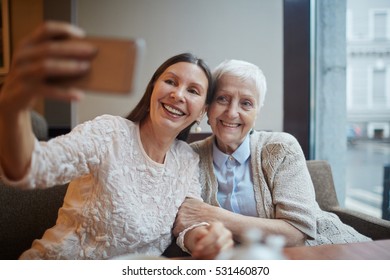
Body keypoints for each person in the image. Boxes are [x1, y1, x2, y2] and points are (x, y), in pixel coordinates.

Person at [0, 21, 233, 260]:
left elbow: (187, 225)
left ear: (202, 111)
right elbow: (31, 166)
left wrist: (206, 240)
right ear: (153, 88)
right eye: (170, 81)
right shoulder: (109, 132)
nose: (178, 94)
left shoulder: (186, 158)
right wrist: (12, 109)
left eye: (193, 91)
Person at [173, 59, 371, 247]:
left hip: (326, 252)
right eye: (223, 99)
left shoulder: (281, 147)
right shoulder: (190, 156)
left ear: (257, 112)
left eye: (246, 103)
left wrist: (213, 215)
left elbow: (296, 232)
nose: (232, 112)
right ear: (208, 107)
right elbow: (187, 222)